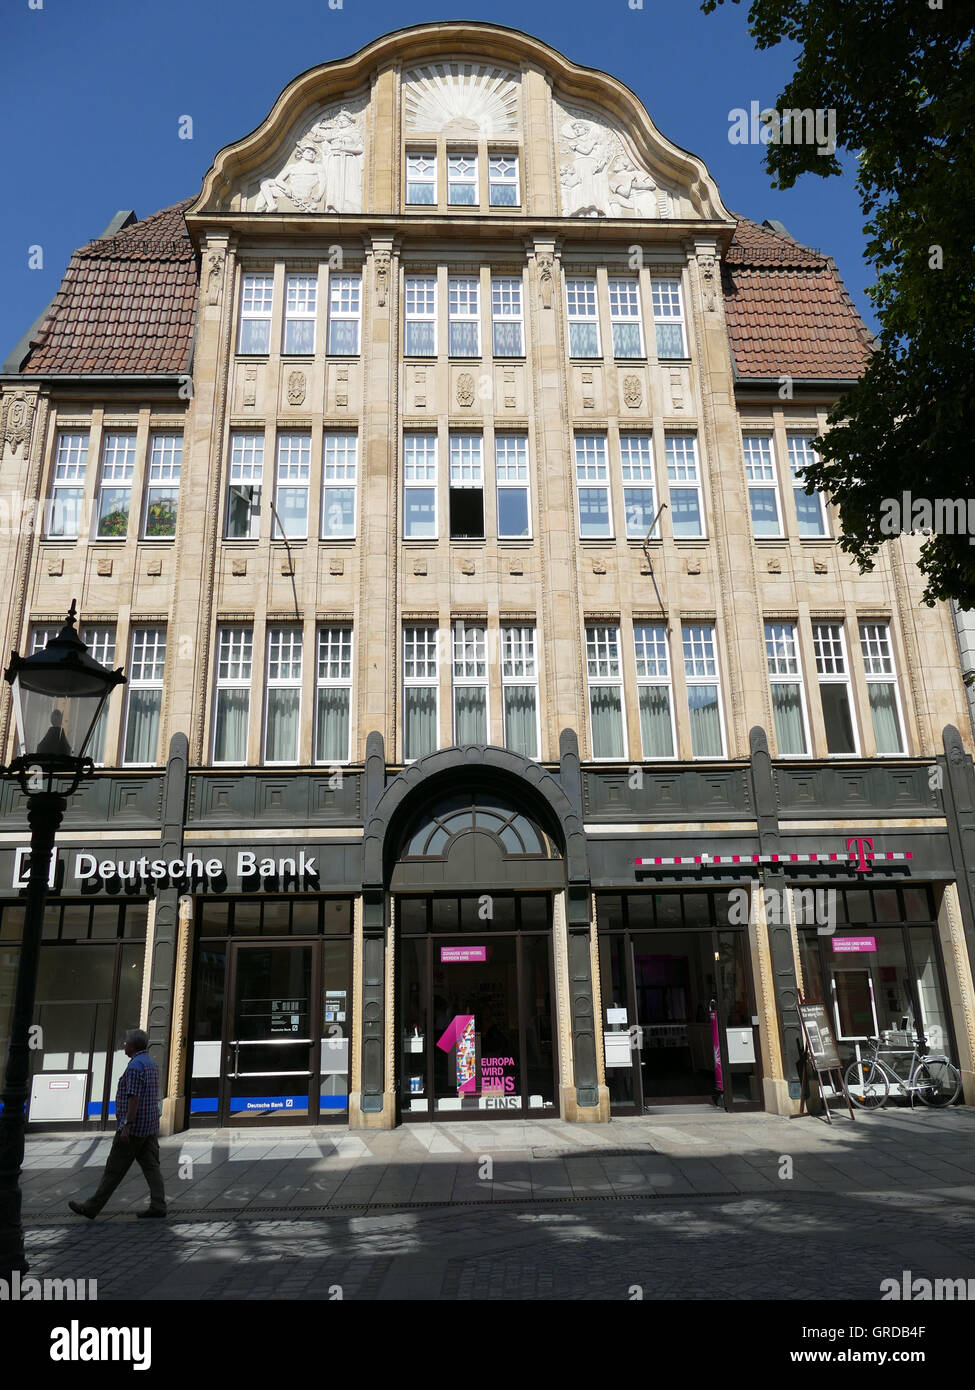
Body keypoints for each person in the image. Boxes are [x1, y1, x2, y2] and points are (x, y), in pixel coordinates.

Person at [68, 1028, 166, 1220]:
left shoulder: (136, 1066)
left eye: (126, 1042)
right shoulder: (150, 1063)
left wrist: (127, 1124)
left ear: (132, 1046)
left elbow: (134, 1098)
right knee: (152, 1167)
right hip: (149, 1126)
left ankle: (91, 1207)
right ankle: (158, 1204)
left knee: (114, 1170)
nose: (124, 1045)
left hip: (135, 1128)